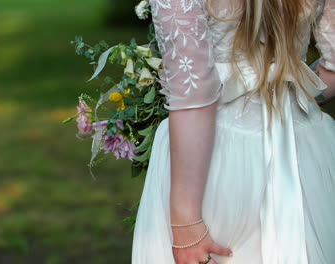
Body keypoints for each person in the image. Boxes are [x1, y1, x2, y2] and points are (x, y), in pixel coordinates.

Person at [131, 0, 335, 263]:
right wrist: (291, 94)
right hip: (306, 151)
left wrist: (186, 223)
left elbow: (194, 94)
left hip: (217, 162)